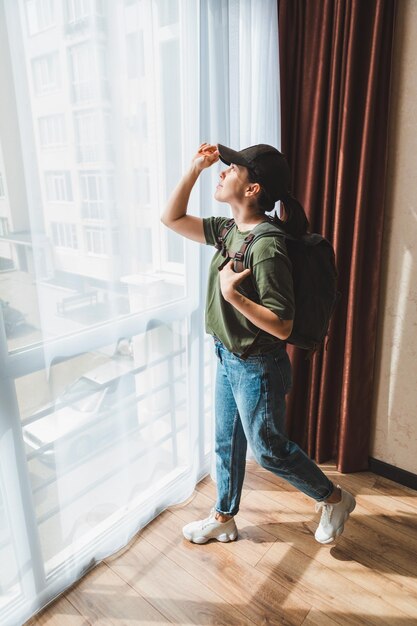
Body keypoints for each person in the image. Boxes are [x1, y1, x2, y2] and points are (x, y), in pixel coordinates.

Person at [160, 142, 356, 545]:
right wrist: (195, 169)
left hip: (257, 365)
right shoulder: (229, 229)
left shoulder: (266, 245)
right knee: (225, 442)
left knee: (267, 450)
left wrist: (234, 296)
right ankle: (223, 516)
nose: (223, 172)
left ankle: (334, 498)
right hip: (227, 354)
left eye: (232, 170)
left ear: (252, 190)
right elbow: (172, 217)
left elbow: (283, 325)